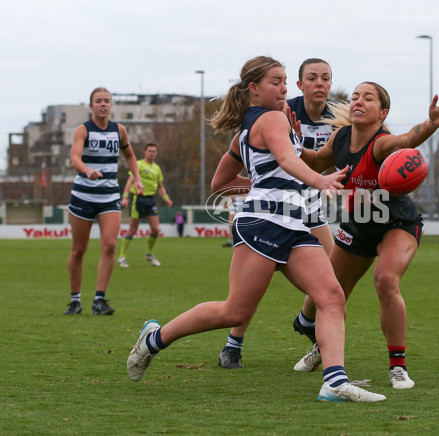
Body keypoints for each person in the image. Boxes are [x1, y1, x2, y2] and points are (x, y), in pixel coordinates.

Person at [127, 56, 386, 402]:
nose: (282, 88)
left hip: (293, 226)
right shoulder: (272, 118)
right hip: (263, 224)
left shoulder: (255, 127)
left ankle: (334, 382)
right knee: (234, 311)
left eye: (283, 81)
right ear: (254, 89)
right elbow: (287, 160)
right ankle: (154, 339)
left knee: (331, 296)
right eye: (275, 82)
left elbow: (223, 181)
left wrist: (267, 184)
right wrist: (315, 180)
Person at [292, 82, 439, 390]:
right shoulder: (340, 137)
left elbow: (409, 139)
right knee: (330, 292)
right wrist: (293, 144)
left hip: (396, 221)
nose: (358, 101)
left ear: (382, 113)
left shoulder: (382, 143)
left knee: (385, 279)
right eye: (355, 96)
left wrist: (430, 126)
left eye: (368, 98)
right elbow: (316, 163)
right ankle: (322, 346)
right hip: (359, 223)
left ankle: (397, 366)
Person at [218, 58, 335, 368]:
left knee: (330, 281)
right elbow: (285, 160)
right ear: (301, 85)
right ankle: (233, 344)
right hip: (273, 211)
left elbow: (316, 160)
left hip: (307, 205)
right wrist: (263, 185)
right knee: (249, 289)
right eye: (312, 78)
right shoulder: (280, 111)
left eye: (326, 78)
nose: (320, 83)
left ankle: (310, 325)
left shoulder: (337, 119)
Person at [64, 87, 143, 315]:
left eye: (107, 101)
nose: (103, 104)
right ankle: (75, 300)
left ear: (111, 105)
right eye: (98, 101)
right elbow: (75, 159)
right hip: (84, 196)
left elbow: (129, 155)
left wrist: (136, 178)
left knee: (109, 246)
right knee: (79, 250)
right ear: (91, 106)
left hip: (109, 196)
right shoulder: (83, 130)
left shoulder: (119, 130)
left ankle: (99, 300)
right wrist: (87, 170)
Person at [117, 143, 173, 268]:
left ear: (156, 153)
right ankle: (122, 256)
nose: (152, 153)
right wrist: (125, 197)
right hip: (137, 199)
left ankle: (149, 253)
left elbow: (160, 186)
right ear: (145, 152)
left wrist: (166, 198)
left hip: (150, 200)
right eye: (150, 151)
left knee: (155, 229)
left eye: (154, 151)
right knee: (132, 230)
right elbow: (130, 181)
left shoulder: (157, 168)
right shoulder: (139, 164)